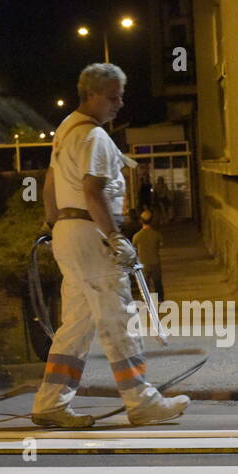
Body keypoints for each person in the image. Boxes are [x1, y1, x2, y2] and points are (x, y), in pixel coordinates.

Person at [31, 63, 189, 429]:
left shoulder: (66, 130)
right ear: (90, 95)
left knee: (77, 325)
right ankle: (142, 401)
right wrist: (116, 237)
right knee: (119, 320)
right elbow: (93, 191)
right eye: (112, 97)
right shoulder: (95, 137)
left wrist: (54, 224)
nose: (119, 103)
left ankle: (51, 402)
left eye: (121, 95)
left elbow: (51, 183)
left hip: (70, 236)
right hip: (91, 235)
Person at [132, 210, 165, 303]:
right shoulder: (156, 234)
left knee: (145, 283)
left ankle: (148, 301)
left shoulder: (137, 236)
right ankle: (160, 300)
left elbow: (134, 248)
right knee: (157, 282)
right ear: (151, 221)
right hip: (155, 261)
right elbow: (161, 244)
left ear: (141, 221)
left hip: (143, 263)